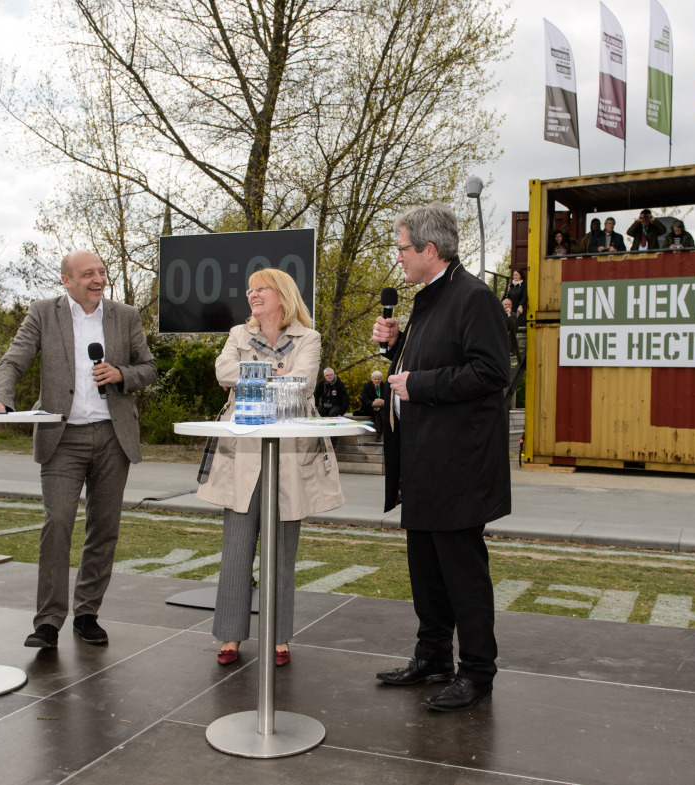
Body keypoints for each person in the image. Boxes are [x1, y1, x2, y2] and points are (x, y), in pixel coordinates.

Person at [0, 251, 157, 648]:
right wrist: (1, 399)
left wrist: (122, 374)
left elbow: (149, 368)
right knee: (57, 525)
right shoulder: (42, 313)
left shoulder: (124, 315)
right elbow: (12, 362)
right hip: (61, 436)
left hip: (112, 437)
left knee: (104, 529)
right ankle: (48, 622)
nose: (98, 279)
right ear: (66, 281)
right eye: (88, 274)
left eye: (102, 272)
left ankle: (87, 614)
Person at [371, 202, 510, 712]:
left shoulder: (473, 297)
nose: (399, 258)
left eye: (403, 248)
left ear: (430, 250)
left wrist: (419, 383)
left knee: (462, 575)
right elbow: (423, 364)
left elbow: (491, 374)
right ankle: (433, 657)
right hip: (423, 462)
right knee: (427, 571)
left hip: (458, 467)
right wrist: (394, 348)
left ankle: (477, 672)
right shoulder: (429, 298)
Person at [197, 268, 344, 665]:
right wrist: (276, 374)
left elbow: (305, 383)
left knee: (281, 551)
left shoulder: (308, 337)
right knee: (236, 548)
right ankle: (230, 636)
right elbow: (222, 373)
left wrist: (254, 377)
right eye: (249, 290)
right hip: (243, 453)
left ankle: (279, 637)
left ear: (281, 293)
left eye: (260, 288)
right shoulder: (238, 334)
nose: (251, 295)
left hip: (289, 454)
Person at [355, 370, 388, 441]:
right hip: (370, 407)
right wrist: (373, 403)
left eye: (378, 379)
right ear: (371, 379)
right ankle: (379, 434)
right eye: (375, 379)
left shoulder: (385, 386)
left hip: (382, 407)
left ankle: (384, 434)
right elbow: (364, 399)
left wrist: (384, 401)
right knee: (376, 413)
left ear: (381, 379)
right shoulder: (367, 386)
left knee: (382, 413)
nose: (376, 381)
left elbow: (389, 397)